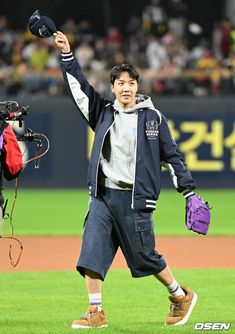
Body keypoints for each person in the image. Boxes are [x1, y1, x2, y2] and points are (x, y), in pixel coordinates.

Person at [54, 31, 198, 329]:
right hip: (103, 196)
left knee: (146, 256)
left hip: (135, 199)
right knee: (91, 251)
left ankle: (179, 295)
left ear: (137, 87)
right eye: (121, 83)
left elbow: (173, 157)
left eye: (131, 83)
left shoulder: (153, 118)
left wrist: (189, 193)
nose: (126, 88)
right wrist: (67, 53)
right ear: (112, 88)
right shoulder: (102, 112)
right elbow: (79, 88)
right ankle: (96, 311)